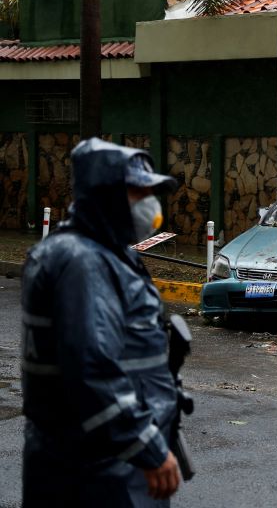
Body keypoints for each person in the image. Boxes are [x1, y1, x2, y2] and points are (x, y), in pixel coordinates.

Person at [21, 138, 183, 507]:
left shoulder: (103, 252)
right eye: (138, 192)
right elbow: (92, 367)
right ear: (104, 195)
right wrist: (144, 445)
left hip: (108, 462)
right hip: (96, 469)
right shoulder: (82, 261)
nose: (150, 203)